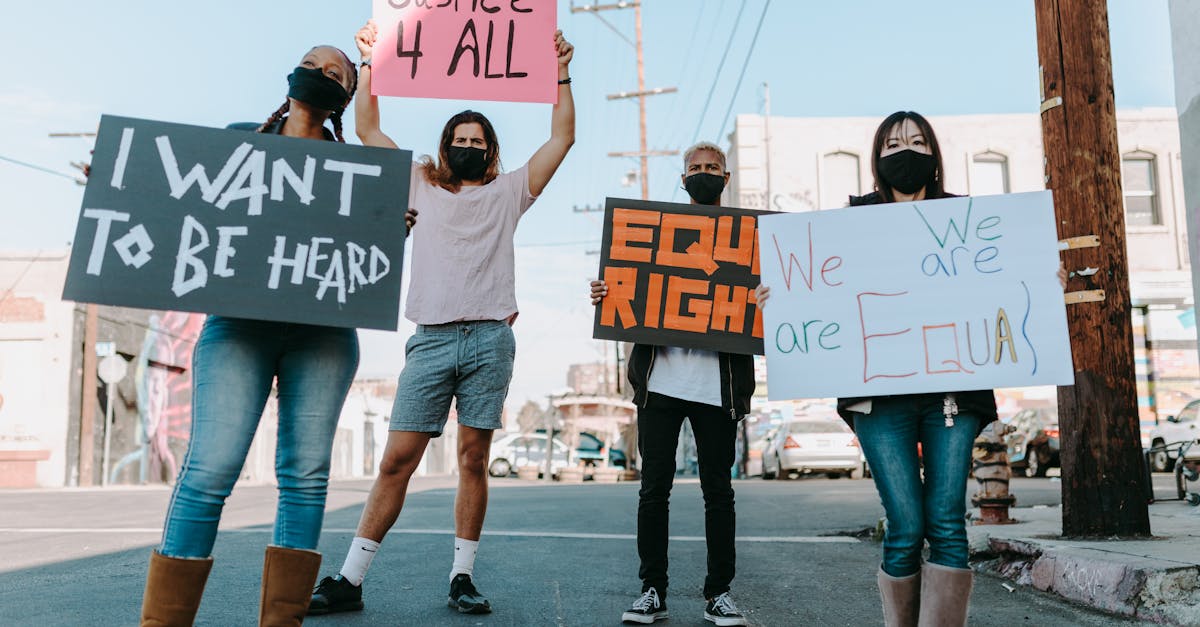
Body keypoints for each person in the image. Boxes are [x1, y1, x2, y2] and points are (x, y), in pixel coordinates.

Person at [137, 44, 417, 627]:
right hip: (238, 328)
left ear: (346, 97)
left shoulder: (355, 172)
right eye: (311, 65)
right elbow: (184, 199)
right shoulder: (241, 141)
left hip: (323, 336)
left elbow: (364, 248)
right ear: (291, 76)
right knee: (210, 468)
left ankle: (281, 620)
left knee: (305, 476)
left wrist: (390, 225)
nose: (319, 75)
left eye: (334, 73)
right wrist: (126, 181)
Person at [756, 111, 1066, 627]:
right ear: (878, 157)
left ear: (934, 154)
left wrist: (1043, 280)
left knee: (946, 521)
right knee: (904, 525)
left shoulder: (967, 218)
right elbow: (817, 290)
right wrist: (778, 299)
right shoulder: (849, 223)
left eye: (918, 142)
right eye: (894, 143)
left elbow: (1007, 284)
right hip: (878, 399)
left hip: (952, 393)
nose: (906, 152)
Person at [308, 20, 575, 617]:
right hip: (429, 341)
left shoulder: (510, 192)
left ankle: (462, 577)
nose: (469, 146)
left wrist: (560, 72)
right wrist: (369, 60)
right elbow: (367, 127)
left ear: (491, 150)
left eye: (478, 140)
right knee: (396, 462)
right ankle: (350, 579)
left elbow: (562, 137)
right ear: (446, 143)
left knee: (473, 460)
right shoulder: (416, 184)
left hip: (490, 339)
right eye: (460, 138)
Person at [590, 142, 752, 627]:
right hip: (660, 383)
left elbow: (769, 301)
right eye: (695, 168)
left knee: (718, 492)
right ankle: (652, 590)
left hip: (718, 388)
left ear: (726, 177)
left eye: (712, 167)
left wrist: (768, 298)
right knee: (652, 491)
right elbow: (626, 289)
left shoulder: (749, 240)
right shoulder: (658, 235)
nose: (704, 173)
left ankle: (719, 593)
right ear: (683, 180)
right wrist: (605, 293)